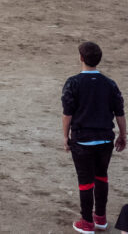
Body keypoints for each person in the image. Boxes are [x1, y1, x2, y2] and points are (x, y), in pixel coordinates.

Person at [61, 41, 126, 234]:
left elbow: (67, 114)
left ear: (81, 58)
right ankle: (101, 218)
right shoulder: (109, 84)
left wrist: (65, 136)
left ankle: (87, 222)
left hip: (82, 140)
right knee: (101, 177)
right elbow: (120, 113)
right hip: (105, 139)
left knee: (85, 181)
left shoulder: (73, 83)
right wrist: (123, 135)